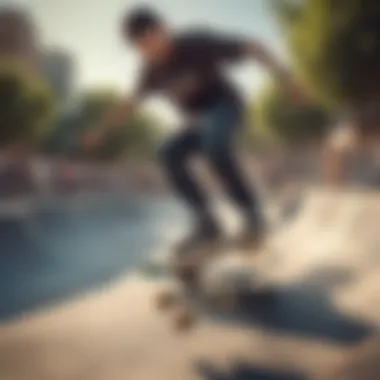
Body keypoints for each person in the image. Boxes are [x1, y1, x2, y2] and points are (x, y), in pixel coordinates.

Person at [84, 6, 305, 254]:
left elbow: (253, 47)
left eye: (148, 41)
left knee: (214, 143)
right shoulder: (150, 72)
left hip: (226, 106)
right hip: (196, 124)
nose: (147, 51)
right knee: (168, 153)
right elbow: (129, 104)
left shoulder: (196, 44)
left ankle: (251, 214)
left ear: (162, 29)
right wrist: (100, 130)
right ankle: (206, 222)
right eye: (139, 47)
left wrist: (286, 79)